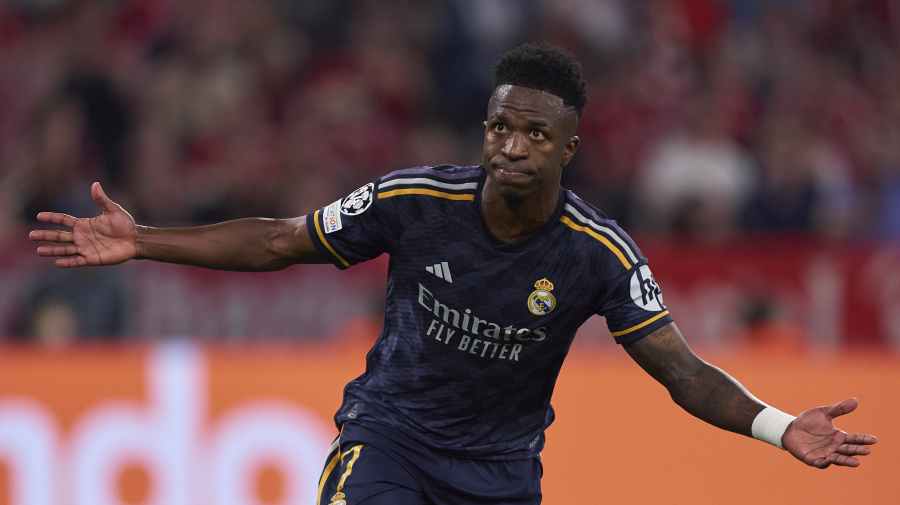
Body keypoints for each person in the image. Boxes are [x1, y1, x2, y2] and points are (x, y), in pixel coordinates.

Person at [30, 42, 876, 505]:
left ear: (569, 148)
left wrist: (775, 426)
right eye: (500, 127)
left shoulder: (599, 254)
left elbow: (682, 372)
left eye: (534, 135)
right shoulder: (413, 198)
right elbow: (281, 240)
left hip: (501, 476)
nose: (511, 145)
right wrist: (145, 239)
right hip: (389, 440)